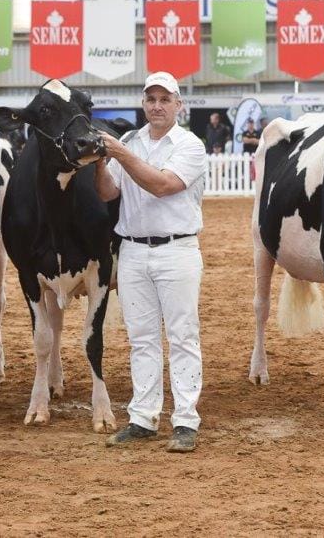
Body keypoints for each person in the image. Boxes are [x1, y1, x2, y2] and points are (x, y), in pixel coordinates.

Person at [94, 70, 206, 453]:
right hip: (133, 249)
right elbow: (108, 192)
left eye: (164, 99)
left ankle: (186, 419)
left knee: (182, 336)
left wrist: (120, 154)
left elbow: (163, 186)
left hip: (177, 249)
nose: (157, 106)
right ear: (143, 104)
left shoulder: (189, 145)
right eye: (151, 99)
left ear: (178, 104)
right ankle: (143, 417)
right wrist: (98, 161)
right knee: (141, 338)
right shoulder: (130, 141)